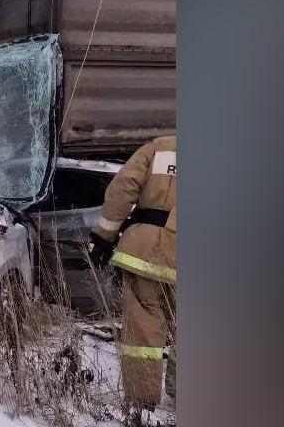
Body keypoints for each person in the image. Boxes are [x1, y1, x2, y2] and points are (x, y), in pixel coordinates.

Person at [88, 135, 177, 426]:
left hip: (146, 254)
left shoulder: (160, 147)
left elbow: (122, 190)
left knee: (143, 330)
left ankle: (142, 403)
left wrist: (103, 238)